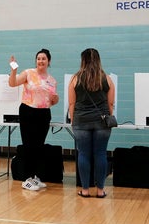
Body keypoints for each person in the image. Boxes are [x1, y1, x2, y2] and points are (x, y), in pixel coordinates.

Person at [8, 49, 59, 191]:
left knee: (39, 146)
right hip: (28, 111)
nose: (40, 61)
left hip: (44, 114)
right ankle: (27, 178)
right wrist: (14, 69)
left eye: (43, 58)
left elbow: (52, 100)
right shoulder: (28, 73)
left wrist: (56, 100)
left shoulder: (52, 80)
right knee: (28, 145)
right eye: (38, 58)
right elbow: (12, 83)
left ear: (49, 61)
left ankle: (36, 177)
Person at [68, 48, 115, 198]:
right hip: (102, 122)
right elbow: (111, 104)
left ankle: (85, 190)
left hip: (81, 121)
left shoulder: (75, 79)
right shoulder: (107, 78)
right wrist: (107, 116)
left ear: (83, 60)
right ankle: (100, 191)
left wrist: (73, 120)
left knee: (83, 154)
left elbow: (71, 104)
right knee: (100, 154)